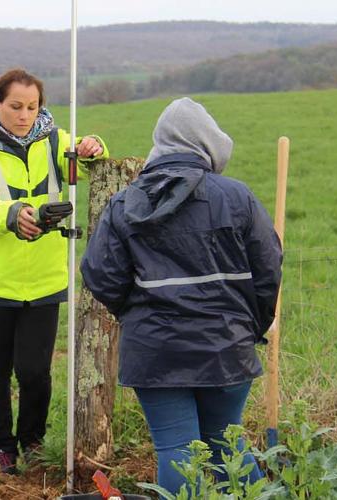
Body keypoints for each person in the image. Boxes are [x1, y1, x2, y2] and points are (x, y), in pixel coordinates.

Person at [80, 97, 282, 494]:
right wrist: (249, 325)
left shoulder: (124, 204)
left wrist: (136, 314)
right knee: (228, 444)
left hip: (155, 351)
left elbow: (98, 274)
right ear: (207, 145)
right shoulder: (236, 197)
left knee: (174, 448)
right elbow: (269, 266)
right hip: (226, 348)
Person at [0, 68, 109, 474]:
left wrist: (94, 146)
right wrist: (12, 215)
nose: (24, 114)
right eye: (16, 106)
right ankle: (3, 449)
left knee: (35, 371)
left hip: (45, 280)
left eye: (32, 106)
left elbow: (93, 158)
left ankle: (34, 443)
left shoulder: (55, 140)